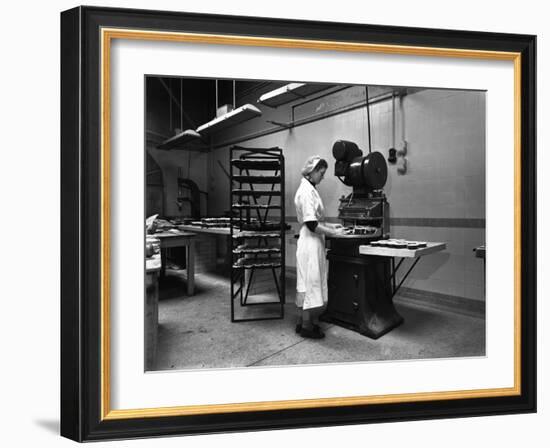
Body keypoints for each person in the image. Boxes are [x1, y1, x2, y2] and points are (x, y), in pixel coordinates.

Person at [294, 155, 345, 339]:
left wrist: (332, 227)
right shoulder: (306, 191)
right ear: (312, 171)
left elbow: (316, 220)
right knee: (311, 283)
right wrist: (335, 234)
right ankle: (308, 326)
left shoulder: (310, 188)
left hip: (313, 240)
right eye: (321, 173)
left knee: (307, 282)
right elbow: (312, 224)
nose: (323, 177)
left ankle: (302, 322)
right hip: (310, 241)